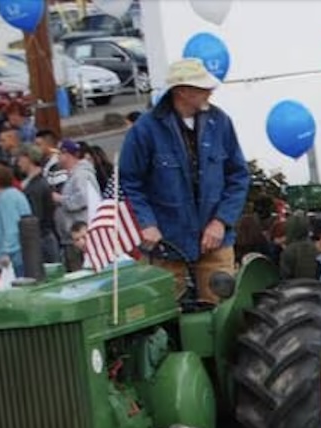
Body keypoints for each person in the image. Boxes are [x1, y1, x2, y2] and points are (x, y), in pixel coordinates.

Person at [117, 56, 249, 295]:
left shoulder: (220, 123)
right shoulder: (145, 130)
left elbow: (238, 176)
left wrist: (221, 221)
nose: (210, 92)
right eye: (202, 88)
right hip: (165, 241)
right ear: (182, 91)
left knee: (221, 310)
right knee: (164, 312)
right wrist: (146, 224)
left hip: (215, 240)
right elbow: (129, 183)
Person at [53, 138, 100, 252]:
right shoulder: (73, 175)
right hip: (74, 238)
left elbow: (83, 199)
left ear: (68, 155)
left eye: (59, 154)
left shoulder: (81, 175)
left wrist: (60, 199)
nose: (57, 157)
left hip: (82, 238)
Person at [0, 163, 26, 284]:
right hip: (21, 252)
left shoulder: (6, 199)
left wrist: (6, 253)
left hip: (15, 257)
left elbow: (12, 228)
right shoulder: (14, 194)